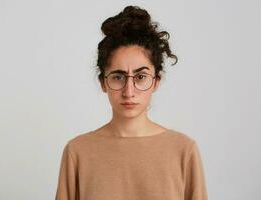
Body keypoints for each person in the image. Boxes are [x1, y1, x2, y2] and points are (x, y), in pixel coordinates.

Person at [55, 5, 208, 200]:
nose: (129, 91)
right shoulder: (78, 152)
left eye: (141, 77)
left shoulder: (184, 151)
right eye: (118, 77)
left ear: (156, 81)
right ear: (103, 83)